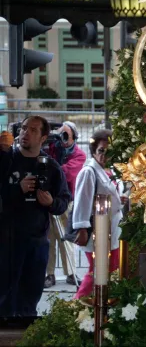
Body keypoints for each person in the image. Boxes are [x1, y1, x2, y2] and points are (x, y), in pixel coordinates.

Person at [0, 116, 70, 316]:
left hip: (36, 243)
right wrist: (17, 189)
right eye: (23, 128)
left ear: (43, 137)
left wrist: (51, 203)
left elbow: (63, 201)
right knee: (4, 299)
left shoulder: (51, 167)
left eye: (32, 130)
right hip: (6, 242)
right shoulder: (6, 160)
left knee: (29, 301)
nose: (25, 133)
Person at [72, 130, 124, 299]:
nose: (104, 155)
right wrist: (81, 228)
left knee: (111, 267)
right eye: (101, 150)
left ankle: (100, 301)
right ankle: (77, 304)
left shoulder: (111, 171)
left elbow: (111, 195)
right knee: (98, 269)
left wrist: (120, 199)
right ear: (94, 151)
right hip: (96, 231)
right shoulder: (89, 171)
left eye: (109, 151)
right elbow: (82, 200)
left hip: (112, 230)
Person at [44, 121, 86, 288]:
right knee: (49, 238)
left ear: (74, 136)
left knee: (65, 238)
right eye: (61, 134)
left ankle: (70, 273)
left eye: (66, 134)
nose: (63, 138)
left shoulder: (79, 155)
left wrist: (51, 168)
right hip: (48, 198)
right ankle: (49, 274)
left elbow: (66, 173)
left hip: (65, 199)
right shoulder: (52, 148)